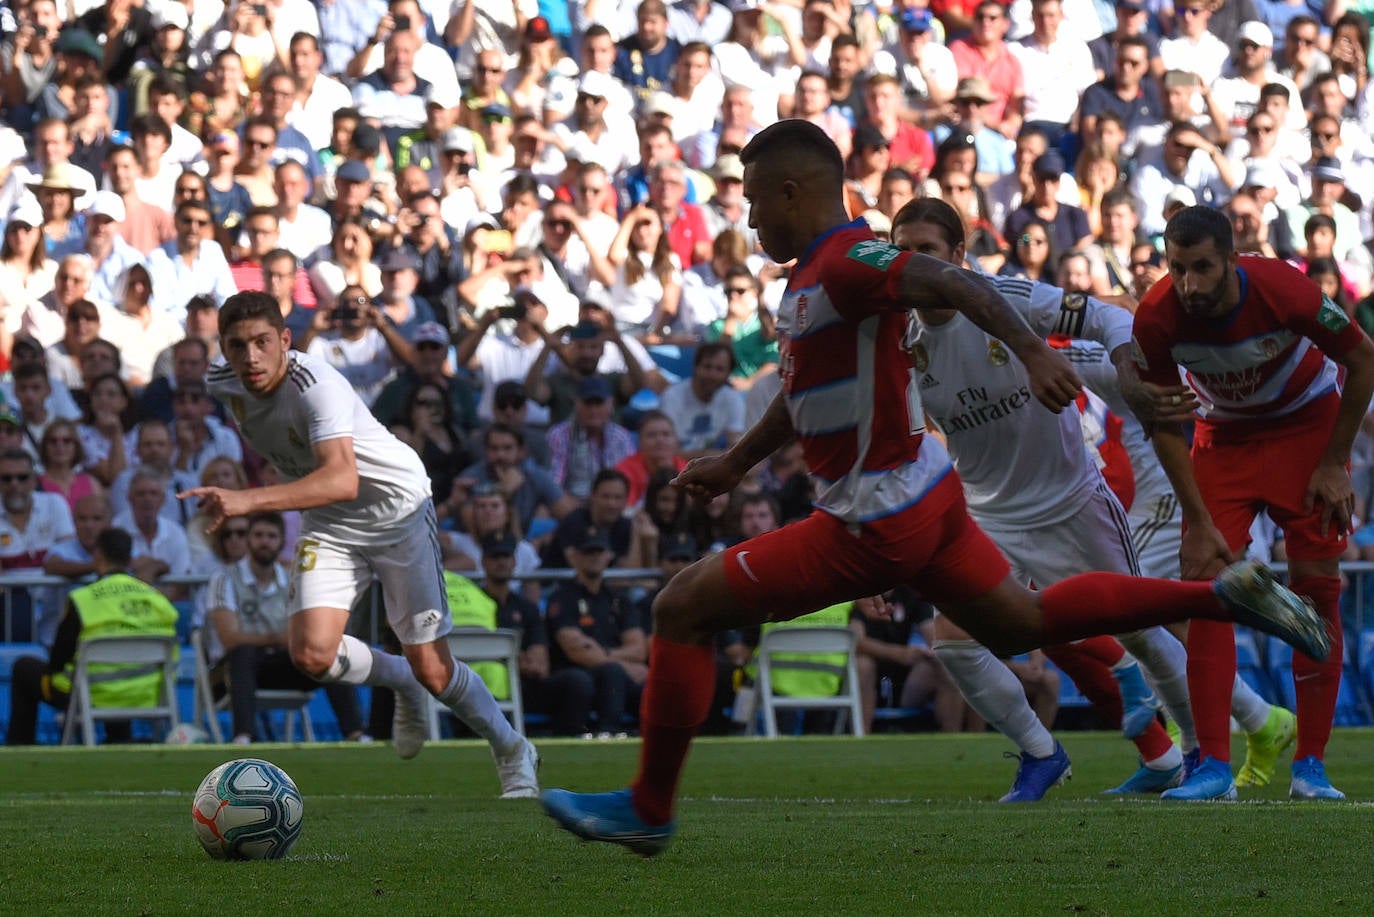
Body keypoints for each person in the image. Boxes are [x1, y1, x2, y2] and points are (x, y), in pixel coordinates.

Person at [541, 118, 1330, 856]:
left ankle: (649, 809)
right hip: (939, 497)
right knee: (1022, 625)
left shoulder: (852, 261)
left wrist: (1035, 352)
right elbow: (801, 389)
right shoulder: (816, 279)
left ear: (790, 192)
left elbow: (965, 287)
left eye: (752, 199)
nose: (747, 217)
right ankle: (1219, 600)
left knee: (681, 606)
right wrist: (737, 462)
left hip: (876, 516)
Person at [893, 196, 1198, 797]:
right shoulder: (899, 343)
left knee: (1141, 632)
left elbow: (1110, 322)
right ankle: (1040, 753)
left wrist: (1130, 378)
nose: (914, 264)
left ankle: (1199, 757)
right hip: (986, 514)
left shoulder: (1010, 298)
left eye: (925, 251)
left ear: (959, 255)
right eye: (901, 252)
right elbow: (906, 447)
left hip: (1071, 501)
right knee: (954, 645)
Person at [184, 291, 539, 798]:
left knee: (436, 670)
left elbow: (343, 479)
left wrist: (247, 501)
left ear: (286, 339)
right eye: (237, 346)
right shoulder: (222, 382)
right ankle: (399, 678)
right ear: (222, 347)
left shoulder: (316, 385)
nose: (251, 357)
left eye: (263, 342)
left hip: (397, 511)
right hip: (330, 519)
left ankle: (511, 748)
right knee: (310, 653)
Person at [1128, 205, 1374, 800]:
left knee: (1318, 589)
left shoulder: (1284, 289)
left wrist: (1336, 462)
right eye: (1178, 268)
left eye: (1203, 268)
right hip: (1224, 439)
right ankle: (1213, 767)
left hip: (1306, 430)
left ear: (1232, 261)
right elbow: (1164, 423)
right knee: (1209, 588)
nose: (1189, 284)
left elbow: (1363, 357)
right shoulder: (1157, 317)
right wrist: (1196, 520)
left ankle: (1310, 768)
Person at [204, 511, 365, 745]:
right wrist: (280, 637)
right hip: (233, 671)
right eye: (258, 535)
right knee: (243, 653)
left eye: (271, 536)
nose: (265, 541)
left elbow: (309, 630)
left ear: (281, 542)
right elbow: (231, 639)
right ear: (248, 539)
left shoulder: (294, 580)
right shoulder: (225, 578)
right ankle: (244, 736)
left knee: (329, 653)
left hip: (283, 664)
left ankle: (356, 733)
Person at [5, 527, 177, 745]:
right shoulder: (157, 599)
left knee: (24, 668)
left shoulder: (83, 600)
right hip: (147, 693)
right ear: (129, 558)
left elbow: (58, 659)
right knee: (118, 671)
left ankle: (20, 747)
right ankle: (119, 739)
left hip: (93, 694)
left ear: (98, 555)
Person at [544, 525, 648, 737]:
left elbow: (639, 650)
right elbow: (577, 652)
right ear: (575, 556)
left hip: (615, 675)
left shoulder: (619, 599)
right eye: (588, 551)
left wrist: (605, 654)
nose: (594, 557)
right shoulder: (563, 597)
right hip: (574, 671)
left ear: (609, 555)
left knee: (650, 683)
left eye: (599, 551)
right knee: (608, 674)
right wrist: (622, 662)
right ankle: (607, 732)